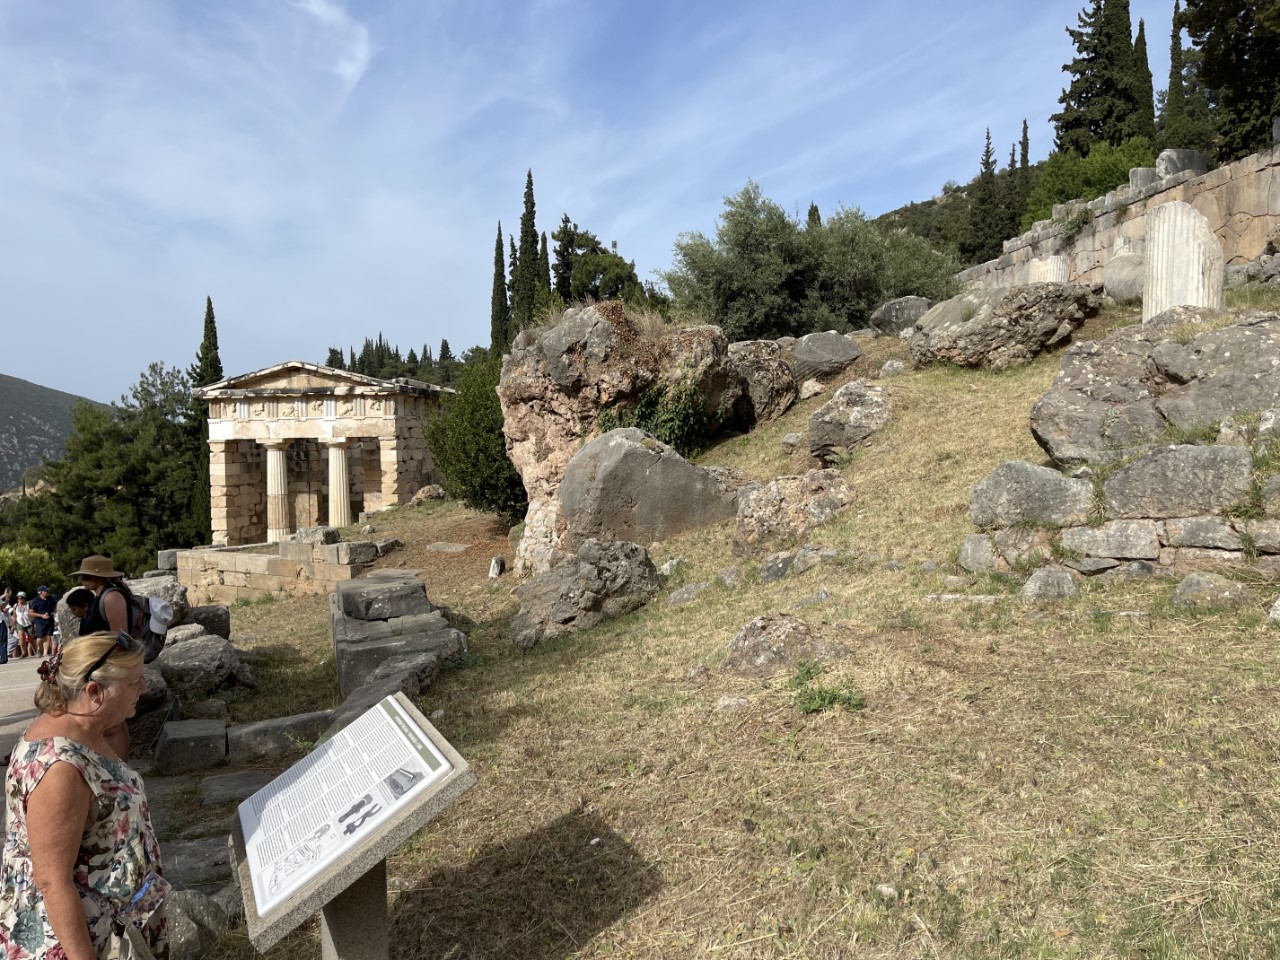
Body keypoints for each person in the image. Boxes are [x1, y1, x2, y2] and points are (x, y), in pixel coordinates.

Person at [0, 631, 169, 960]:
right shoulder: (60, 769)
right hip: (82, 942)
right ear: (94, 692)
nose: (144, 688)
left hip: (119, 922)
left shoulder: (85, 727)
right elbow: (52, 882)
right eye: (134, 682)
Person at [70, 557, 134, 637]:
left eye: (86, 577)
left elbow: (120, 637)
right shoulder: (99, 598)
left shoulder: (111, 597)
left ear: (98, 576)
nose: (82, 580)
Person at [29, 585, 58, 658]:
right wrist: (42, 616)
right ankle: (39, 650)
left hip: (49, 620)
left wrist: (54, 611)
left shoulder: (51, 598)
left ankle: (45, 653)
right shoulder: (35, 600)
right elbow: (30, 613)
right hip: (40, 621)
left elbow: (55, 606)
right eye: (45, 591)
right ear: (40, 592)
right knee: (40, 637)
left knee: (48, 636)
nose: (47, 592)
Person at [14, 591, 34, 658]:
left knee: (31, 639)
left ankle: (36, 651)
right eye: (18, 598)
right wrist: (13, 625)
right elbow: (14, 616)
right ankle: (23, 653)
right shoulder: (15, 606)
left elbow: (33, 613)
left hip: (29, 623)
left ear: (24, 598)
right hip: (20, 623)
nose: (19, 599)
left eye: (21, 598)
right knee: (21, 636)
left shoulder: (29, 605)